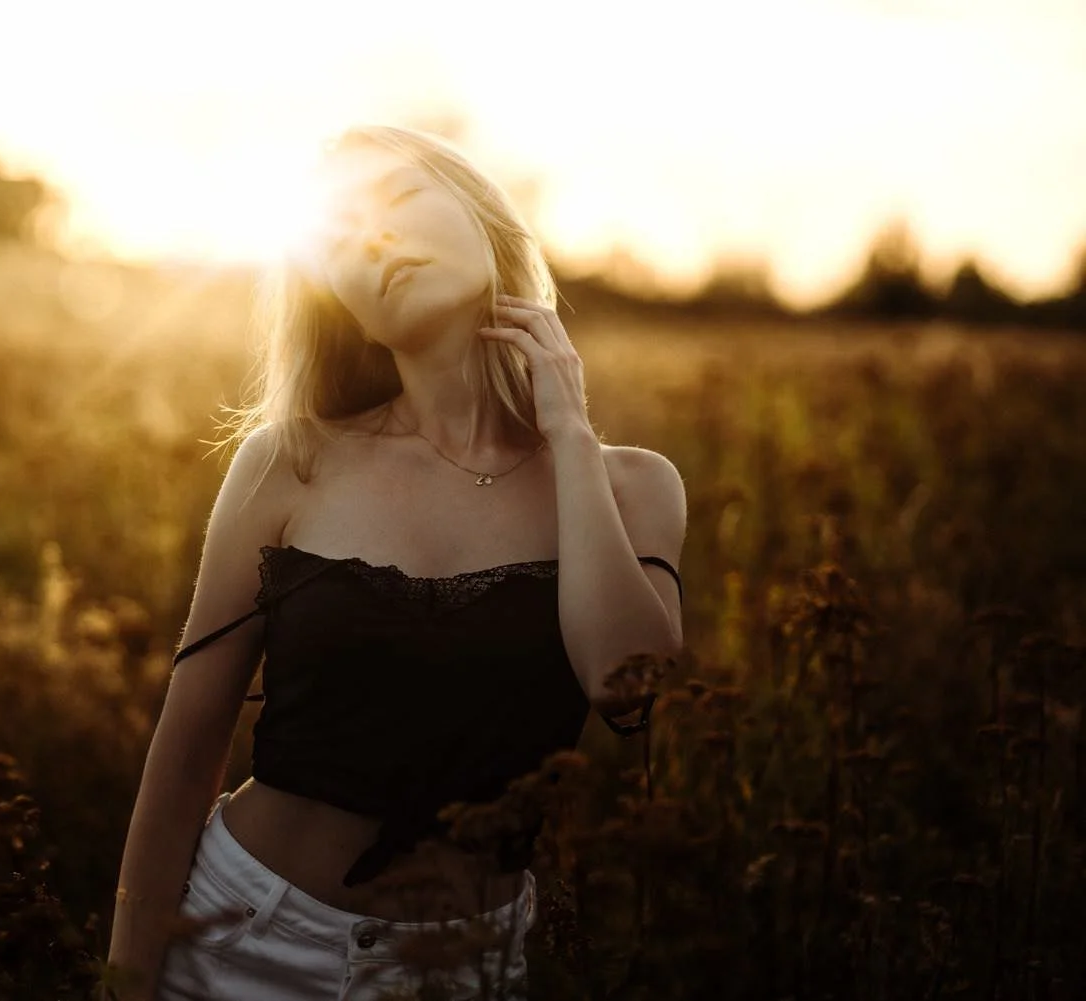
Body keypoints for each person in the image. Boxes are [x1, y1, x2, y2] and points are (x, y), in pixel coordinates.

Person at [104, 124, 686, 1001]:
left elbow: (626, 684)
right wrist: (124, 981)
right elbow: (185, 750)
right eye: (339, 242)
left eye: (403, 203)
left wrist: (568, 432)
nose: (375, 241)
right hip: (242, 941)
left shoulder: (633, 488)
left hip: (464, 971)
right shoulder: (288, 461)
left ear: (487, 223)